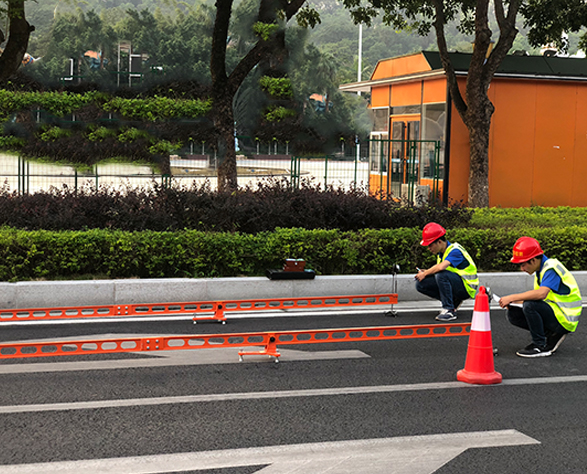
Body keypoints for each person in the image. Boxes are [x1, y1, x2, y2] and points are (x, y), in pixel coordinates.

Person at [499, 236, 582, 358]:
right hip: (557, 313)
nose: (522, 269)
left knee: (530, 305)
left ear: (533, 260)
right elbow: (540, 297)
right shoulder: (541, 270)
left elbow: (541, 294)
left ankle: (540, 346)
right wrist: (513, 303)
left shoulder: (551, 269)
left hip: (565, 319)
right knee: (513, 313)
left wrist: (512, 297)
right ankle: (552, 335)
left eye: (522, 264)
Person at [415, 223, 479, 321]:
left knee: (441, 275)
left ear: (439, 242)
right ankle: (453, 301)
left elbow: (441, 268)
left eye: (430, 245)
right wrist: (426, 272)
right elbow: (440, 268)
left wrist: (425, 273)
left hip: (467, 288)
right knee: (421, 284)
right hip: (457, 283)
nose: (429, 248)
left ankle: (449, 310)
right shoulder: (442, 253)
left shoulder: (455, 251)